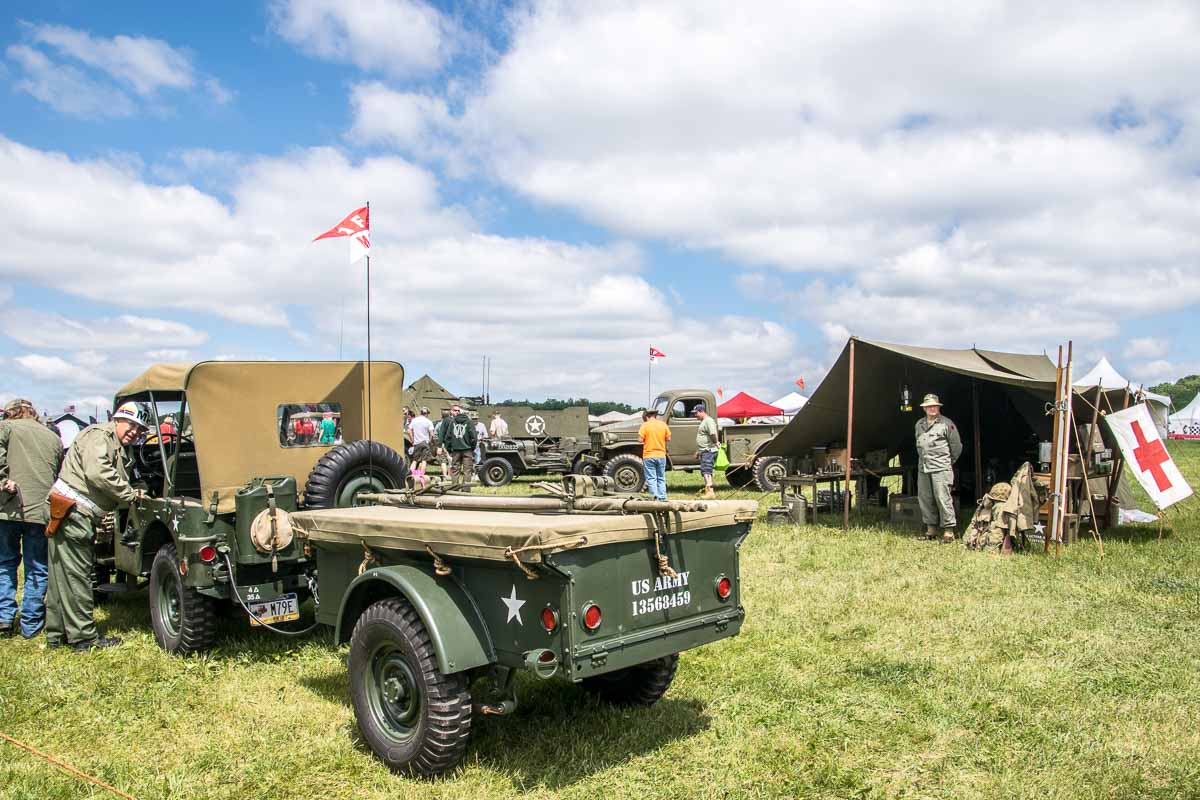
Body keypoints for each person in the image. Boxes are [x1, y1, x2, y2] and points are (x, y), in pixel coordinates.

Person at [45, 401, 150, 651]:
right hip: (74, 513)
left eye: (139, 429)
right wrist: (130, 494)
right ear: (118, 419)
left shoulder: (113, 442)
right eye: (132, 425)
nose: (134, 432)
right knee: (78, 577)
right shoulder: (99, 436)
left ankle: (57, 634)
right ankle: (84, 638)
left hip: (71, 511)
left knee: (62, 576)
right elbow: (98, 473)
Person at [0, 399, 63, 638]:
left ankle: (4, 618)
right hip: (42, 510)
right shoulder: (53, 438)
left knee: (5, 562)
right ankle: (31, 625)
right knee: (38, 567)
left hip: (8, 506)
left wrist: (3, 482)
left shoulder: (7, 427)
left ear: (12, 413)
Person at [914, 393, 963, 543]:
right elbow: (919, 444)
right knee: (925, 499)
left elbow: (956, 447)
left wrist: (947, 462)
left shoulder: (947, 424)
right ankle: (931, 530)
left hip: (941, 468)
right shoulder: (919, 424)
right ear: (924, 408)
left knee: (943, 499)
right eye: (929, 406)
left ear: (939, 407)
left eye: (934, 406)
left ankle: (948, 532)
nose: (932, 409)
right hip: (924, 468)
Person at [436, 404, 478, 490]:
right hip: (467, 449)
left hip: (455, 450)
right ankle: (466, 490)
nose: (457, 412)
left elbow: (448, 437)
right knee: (467, 471)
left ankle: (454, 489)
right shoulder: (469, 422)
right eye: (455, 410)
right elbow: (474, 437)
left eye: (458, 411)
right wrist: (472, 448)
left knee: (455, 470)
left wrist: (449, 449)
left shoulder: (452, 421)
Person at [638, 408, 671, 501]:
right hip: (661, 455)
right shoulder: (663, 424)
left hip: (648, 455)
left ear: (646, 416)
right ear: (655, 415)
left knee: (651, 478)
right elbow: (668, 438)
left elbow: (640, 440)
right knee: (661, 477)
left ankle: (654, 498)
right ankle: (663, 497)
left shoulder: (645, 426)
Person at [693, 403, 719, 499]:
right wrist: (698, 451)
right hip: (704, 450)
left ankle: (710, 492)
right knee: (705, 470)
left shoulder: (708, 421)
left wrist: (716, 442)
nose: (695, 415)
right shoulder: (704, 421)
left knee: (707, 470)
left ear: (701, 411)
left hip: (708, 450)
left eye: (696, 413)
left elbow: (712, 433)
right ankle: (708, 490)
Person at [408, 406, 436, 484]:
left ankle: (410, 476)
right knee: (424, 461)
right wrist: (429, 441)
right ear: (427, 414)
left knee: (414, 461)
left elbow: (409, 431)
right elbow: (432, 434)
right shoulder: (428, 421)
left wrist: (412, 440)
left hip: (416, 443)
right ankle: (421, 478)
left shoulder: (414, 420)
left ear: (420, 412)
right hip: (425, 442)